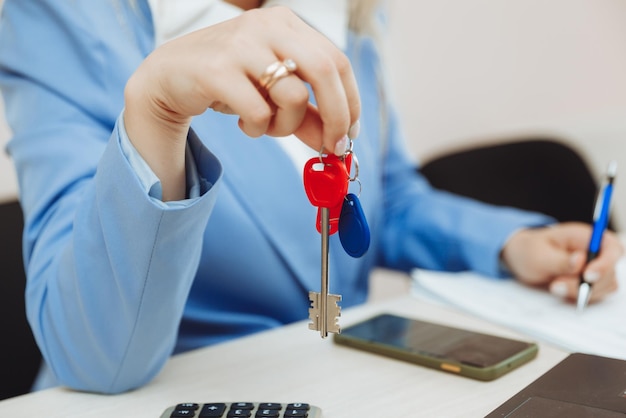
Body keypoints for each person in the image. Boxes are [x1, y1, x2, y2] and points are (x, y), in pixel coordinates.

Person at [0, 0, 621, 395]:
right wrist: (157, 110)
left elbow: (386, 197)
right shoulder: (57, 15)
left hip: (347, 382)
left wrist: (511, 243)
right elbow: (96, 360)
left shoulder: (352, 14)